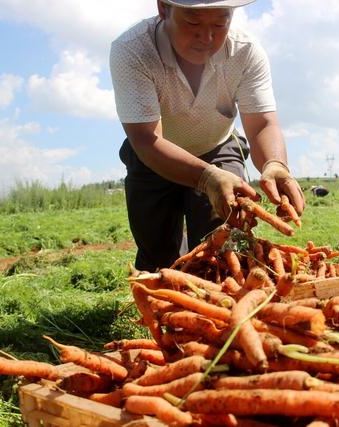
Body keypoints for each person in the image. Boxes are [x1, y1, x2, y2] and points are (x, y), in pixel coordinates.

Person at [110, 0, 305, 271]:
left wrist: (274, 164)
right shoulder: (133, 49)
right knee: (158, 260)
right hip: (154, 154)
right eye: (193, 22)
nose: (207, 37)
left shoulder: (245, 52)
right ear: (163, 8)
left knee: (224, 249)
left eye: (219, 23)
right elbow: (145, 138)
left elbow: (262, 123)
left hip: (217, 146)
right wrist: (205, 177)